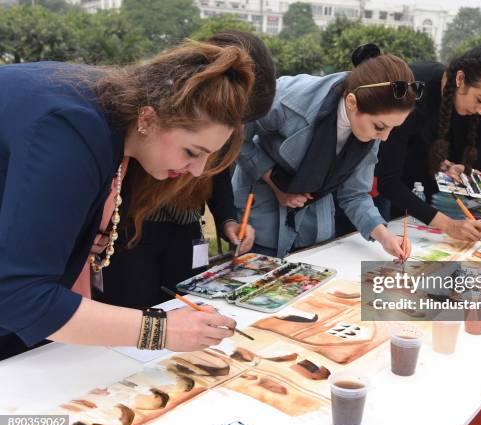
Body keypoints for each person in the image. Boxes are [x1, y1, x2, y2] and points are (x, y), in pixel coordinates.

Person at [0, 41, 254, 360]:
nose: (198, 170)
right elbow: (19, 296)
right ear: (148, 118)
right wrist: (161, 330)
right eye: (192, 152)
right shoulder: (71, 131)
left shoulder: (108, 113)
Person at [99, 31, 276, 310]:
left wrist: (229, 219)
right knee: (135, 311)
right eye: (191, 153)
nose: (196, 169)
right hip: (134, 228)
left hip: (187, 226)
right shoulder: (147, 119)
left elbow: (216, 173)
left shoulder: (214, 140)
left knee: (187, 303)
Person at [232, 44, 416, 259]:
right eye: (380, 127)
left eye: (393, 128)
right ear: (351, 102)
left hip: (314, 224)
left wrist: (386, 237)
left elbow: (355, 194)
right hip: (259, 214)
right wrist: (275, 181)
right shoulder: (288, 97)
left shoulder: (371, 126)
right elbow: (237, 135)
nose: (384, 137)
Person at [375, 44, 481, 241]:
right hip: (369, 193)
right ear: (460, 79)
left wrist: (444, 166)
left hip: (410, 200)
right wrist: (448, 225)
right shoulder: (413, 89)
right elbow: (387, 179)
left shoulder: (458, 100)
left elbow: (420, 147)